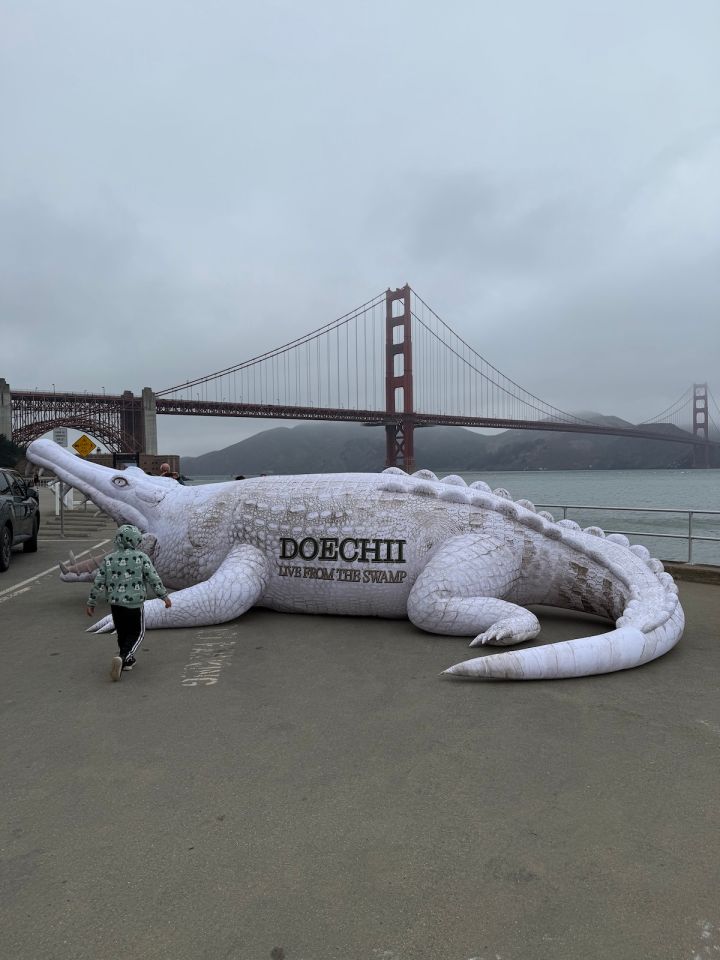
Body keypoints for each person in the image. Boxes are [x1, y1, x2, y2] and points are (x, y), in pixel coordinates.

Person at [86, 524, 172, 681]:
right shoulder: (141, 557)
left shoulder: (108, 559)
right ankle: (123, 656)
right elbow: (153, 578)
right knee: (137, 633)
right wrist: (164, 596)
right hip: (134, 604)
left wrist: (91, 602)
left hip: (115, 604)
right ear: (135, 541)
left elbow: (99, 582)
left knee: (122, 632)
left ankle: (127, 661)